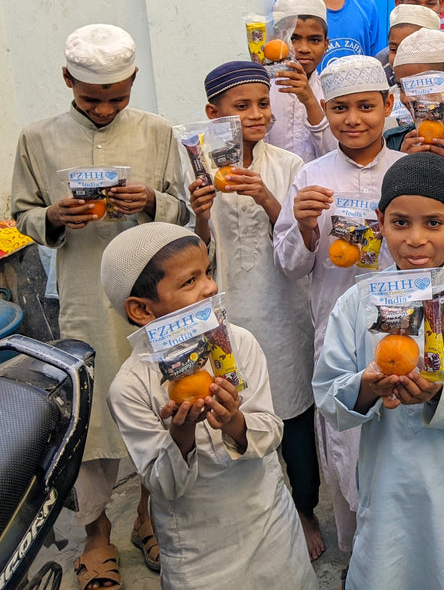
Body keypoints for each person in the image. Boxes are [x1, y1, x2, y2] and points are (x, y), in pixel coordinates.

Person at [11, 24, 189, 589]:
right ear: (67, 81)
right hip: (85, 294)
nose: (107, 108)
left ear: (134, 81)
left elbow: (181, 211)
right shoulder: (36, 138)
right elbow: (19, 216)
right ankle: (95, 534)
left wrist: (152, 201)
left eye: (118, 96)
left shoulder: (158, 131)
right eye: (92, 99)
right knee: (88, 417)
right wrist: (55, 218)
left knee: (156, 398)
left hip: (151, 293)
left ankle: (147, 516)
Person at [312, 153, 444, 588]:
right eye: (401, 223)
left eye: (433, 223)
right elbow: (329, 395)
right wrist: (366, 389)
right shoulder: (357, 302)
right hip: (389, 486)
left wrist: (439, 393)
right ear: (380, 221)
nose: (416, 239)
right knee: (390, 569)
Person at [102, 223, 318, 589]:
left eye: (208, 272)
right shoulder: (132, 386)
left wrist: (235, 422)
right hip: (200, 553)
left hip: (269, 527)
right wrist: (181, 434)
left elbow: (270, 428)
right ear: (141, 310)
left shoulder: (237, 343)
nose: (211, 287)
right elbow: (162, 485)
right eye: (190, 282)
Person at [188, 62, 322, 560]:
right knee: (234, 410)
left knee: (294, 411)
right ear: (212, 114)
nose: (255, 114)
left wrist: (266, 196)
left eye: (262, 103)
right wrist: (201, 211)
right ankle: (252, 513)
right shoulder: (196, 167)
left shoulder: (288, 165)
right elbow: (194, 255)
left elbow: (298, 247)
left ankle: (305, 507)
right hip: (224, 312)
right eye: (240, 106)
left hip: (283, 312)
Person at [273, 54, 403, 555]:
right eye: (341, 108)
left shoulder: (407, 170)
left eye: (367, 106)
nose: (354, 119)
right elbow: (289, 265)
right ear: (324, 109)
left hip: (402, 323)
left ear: (388, 105)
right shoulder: (310, 176)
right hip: (336, 329)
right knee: (345, 439)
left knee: (402, 435)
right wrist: (306, 227)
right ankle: (357, 556)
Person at [266, 0, 336, 163]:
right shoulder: (263, 89)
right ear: (277, 40)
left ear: (326, 45)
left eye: (314, 40)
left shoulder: (333, 91)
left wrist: (310, 100)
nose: (304, 48)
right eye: (294, 38)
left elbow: (336, 155)